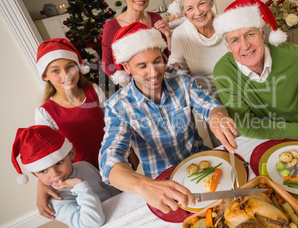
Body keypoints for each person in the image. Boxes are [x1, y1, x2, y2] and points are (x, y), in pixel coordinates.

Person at [99, 22, 238, 214]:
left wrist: (217, 116)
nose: (154, 72)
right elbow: (109, 160)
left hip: (202, 162)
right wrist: (143, 185)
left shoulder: (180, 78)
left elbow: (209, 106)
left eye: (157, 61)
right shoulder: (118, 106)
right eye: (142, 66)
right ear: (127, 67)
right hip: (162, 184)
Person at [213, 0, 298, 144]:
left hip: (294, 127)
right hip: (256, 137)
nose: (245, 46)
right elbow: (247, 125)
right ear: (228, 47)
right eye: (235, 40)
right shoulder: (223, 71)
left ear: (263, 34)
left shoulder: (290, 54)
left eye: (250, 34)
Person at [33, 38, 116, 220]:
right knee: (97, 214)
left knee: (119, 203)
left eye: (70, 67)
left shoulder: (94, 91)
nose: (66, 74)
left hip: (111, 161)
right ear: (45, 76)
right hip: (80, 174)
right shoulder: (45, 112)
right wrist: (41, 186)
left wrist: (129, 150)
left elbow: (113, 125)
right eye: (56, 71)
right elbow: (44, 155)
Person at [11, 125, 120, 227]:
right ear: (34, 174)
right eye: (43, 171)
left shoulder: (84, 166)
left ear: (71, 154)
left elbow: (111, 189)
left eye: (59, 163)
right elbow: (92, 223)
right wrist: (80, 186)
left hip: (118, 213)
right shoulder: (55, 200)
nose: (55, 174)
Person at [167, 0, 228, 147]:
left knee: (251, 138)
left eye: (202, 3)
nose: (198, 12)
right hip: (209, 98)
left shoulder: (226, 25)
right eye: (190, 8)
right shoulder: (181, 34)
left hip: (238, 90)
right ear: (184, 12)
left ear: (210, 2)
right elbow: (174, 65)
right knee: (224, 144)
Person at [102, 0, 171, 87]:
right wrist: (127, 86)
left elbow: (166, 55)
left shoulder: (155, 18)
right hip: (132, 86)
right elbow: (106, 64)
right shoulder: (112, 27)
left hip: (159, 80)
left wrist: (168, 36)